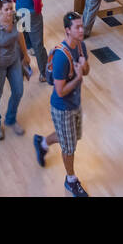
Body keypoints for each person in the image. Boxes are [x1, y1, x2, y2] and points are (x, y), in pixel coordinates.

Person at [33, 12, 91, 197]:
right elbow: (60, 91)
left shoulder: (81, 46)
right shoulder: (61, 57)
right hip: (62, 107)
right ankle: (71, 180)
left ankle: (42, 142)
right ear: (67, 31)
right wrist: (79, 76)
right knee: (69, 147)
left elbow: (86, 69)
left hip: (76, 103)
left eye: (82, 26)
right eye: (77, 27)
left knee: (70, 137)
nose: (82, 30)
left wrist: (84, 67)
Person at [0, 0, 32, 139]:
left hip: (13, 61)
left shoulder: (17, 19)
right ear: (0, 10)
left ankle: (11, 119)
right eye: (6, 9)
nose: (10, 12)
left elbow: (21, 37)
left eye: (11, 8)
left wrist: (25, 55)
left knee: (18, 91)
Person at [9, 0, 48, 83]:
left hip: (20, 10)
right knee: (38, 44)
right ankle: (44, 73)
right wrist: (38, 10)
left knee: (22, 41)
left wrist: (18, 2)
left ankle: (23, 69)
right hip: (32, 13)